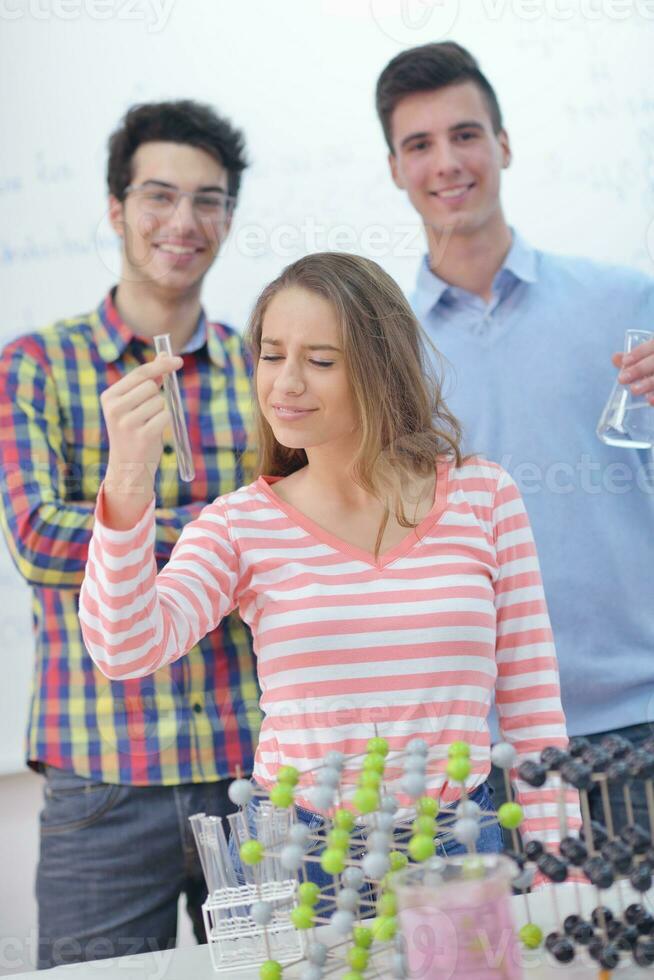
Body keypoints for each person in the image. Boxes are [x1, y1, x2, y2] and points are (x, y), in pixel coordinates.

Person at [78, 251, 580, 891]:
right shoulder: (240, 525)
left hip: (460, 840)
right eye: (270, 354)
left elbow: (533, 707)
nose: (285, 384)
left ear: (383, 371)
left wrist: (561, 872)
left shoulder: (485, 496)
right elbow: (125, 648)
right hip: (305, 854)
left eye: (320, 361)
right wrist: (126, 481)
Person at [0, 100, 261, 968]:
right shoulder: (36, 365)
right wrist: (222, 529)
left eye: (209, 200)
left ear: (227, 215)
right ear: (117, 209)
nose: (183, 222)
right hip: (102, 777)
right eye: (159, 195)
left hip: (254, 767)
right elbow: (38, 539)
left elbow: (302, 531)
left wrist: (127, 523)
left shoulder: (268, 369)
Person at [375, 42, 654, 829]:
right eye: (418, 144)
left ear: (503, 144)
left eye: (465, 134)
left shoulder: (627, 301)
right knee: (503, 955)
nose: (447, 162)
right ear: (395, 167)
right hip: (479, 756)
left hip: (637, 718)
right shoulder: (383, 355)